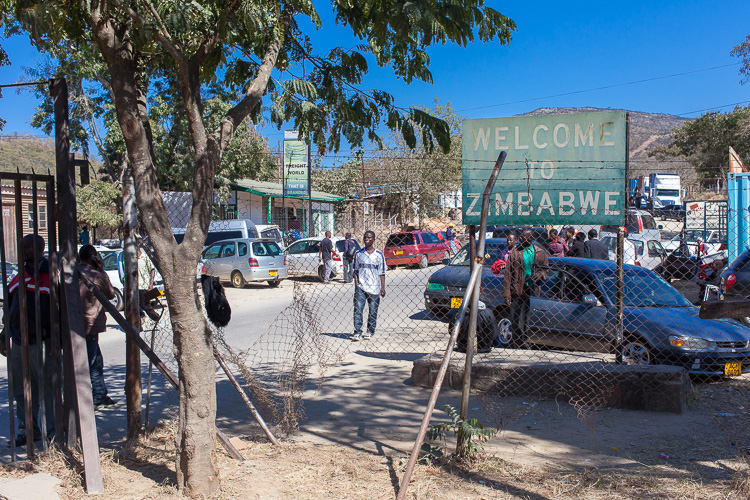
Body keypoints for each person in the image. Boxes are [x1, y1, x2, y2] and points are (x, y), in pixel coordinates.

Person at [0, 234, 54, 446]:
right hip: (18, 341)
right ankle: (28, 430)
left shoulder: (50, 274)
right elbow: (10, 310)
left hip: (42, 342)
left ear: (39, 249)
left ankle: (53, 431)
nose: (22, 251)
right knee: (21, 390)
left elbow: (59, 313)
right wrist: (4, 337)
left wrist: (56, 344)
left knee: (48, 388)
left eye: (25, 248)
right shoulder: (18, 275)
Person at [78, 245, 118, 410]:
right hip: (90, 323)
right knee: (93, 361)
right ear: (93, 258)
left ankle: (99, 394)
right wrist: (101, 270)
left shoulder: (72, 273)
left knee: (94, 359)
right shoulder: (95, 275)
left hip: (74, 323)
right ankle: (96, 397)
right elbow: (111, 294)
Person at [502, 229, 548, 346]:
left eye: (523, 236)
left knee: (529, 318)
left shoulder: (539, 252)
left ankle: (527, 342)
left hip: (532, 291)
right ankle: (516, 343)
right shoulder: (515, 252)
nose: (520, 238)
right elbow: (508, 274)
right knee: (516, 318)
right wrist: (506, 293)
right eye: (520, 236)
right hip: (517, 290)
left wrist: (540, 275)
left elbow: (545, 269)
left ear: (530, 237)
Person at [351, 230, 386, 341]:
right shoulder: (359, 254)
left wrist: (383, 288)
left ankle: (370, 331)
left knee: (373, 311)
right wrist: (357, 285)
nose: (366, 239)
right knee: (358, 309)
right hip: (361, 287)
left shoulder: (379, 255)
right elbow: (355, 271)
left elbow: (382, 273)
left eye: (369, 237)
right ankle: (357, 331)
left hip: (374, 288)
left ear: (373, 239)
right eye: (365, 237)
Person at [138, 245, 160, 321]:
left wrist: (151, 283)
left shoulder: (145, 257)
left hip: (144, 285)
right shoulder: (132, 259)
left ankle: (156, 317)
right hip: (136, 286)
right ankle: (140, 320)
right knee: (136, 305)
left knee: (145, 304)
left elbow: (152, 270)